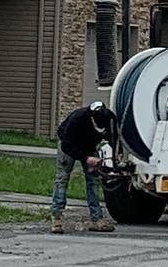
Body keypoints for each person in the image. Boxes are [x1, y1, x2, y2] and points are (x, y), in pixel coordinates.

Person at [50, 99, 118, 233]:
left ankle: (96, 219)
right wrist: (86, 159)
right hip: (70, 145)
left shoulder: (110, 119)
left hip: (89, 146)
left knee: (93, 180)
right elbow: (66, 145)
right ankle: (56, 217)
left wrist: (116, 155)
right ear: (92, 118)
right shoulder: (77, 119)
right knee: (62, 178)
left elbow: (113, 138)